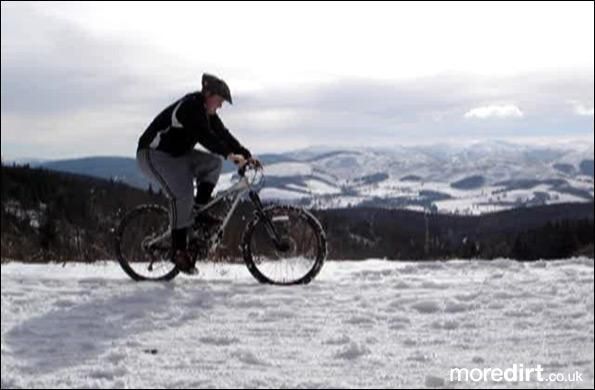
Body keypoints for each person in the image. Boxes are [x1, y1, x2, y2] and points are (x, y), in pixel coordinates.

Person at [136, 73, 261, 274]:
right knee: (183, 193)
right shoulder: (191, 107)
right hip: (152, 154)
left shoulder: (205, 111)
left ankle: (198, 214)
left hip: (175, 155)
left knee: (212, 164)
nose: (220, 106)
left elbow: (223, 134)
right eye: (219, 101)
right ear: (208, 94)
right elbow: (206, 137)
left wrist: (246, 154)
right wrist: (229, 154)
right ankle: (178, 251)